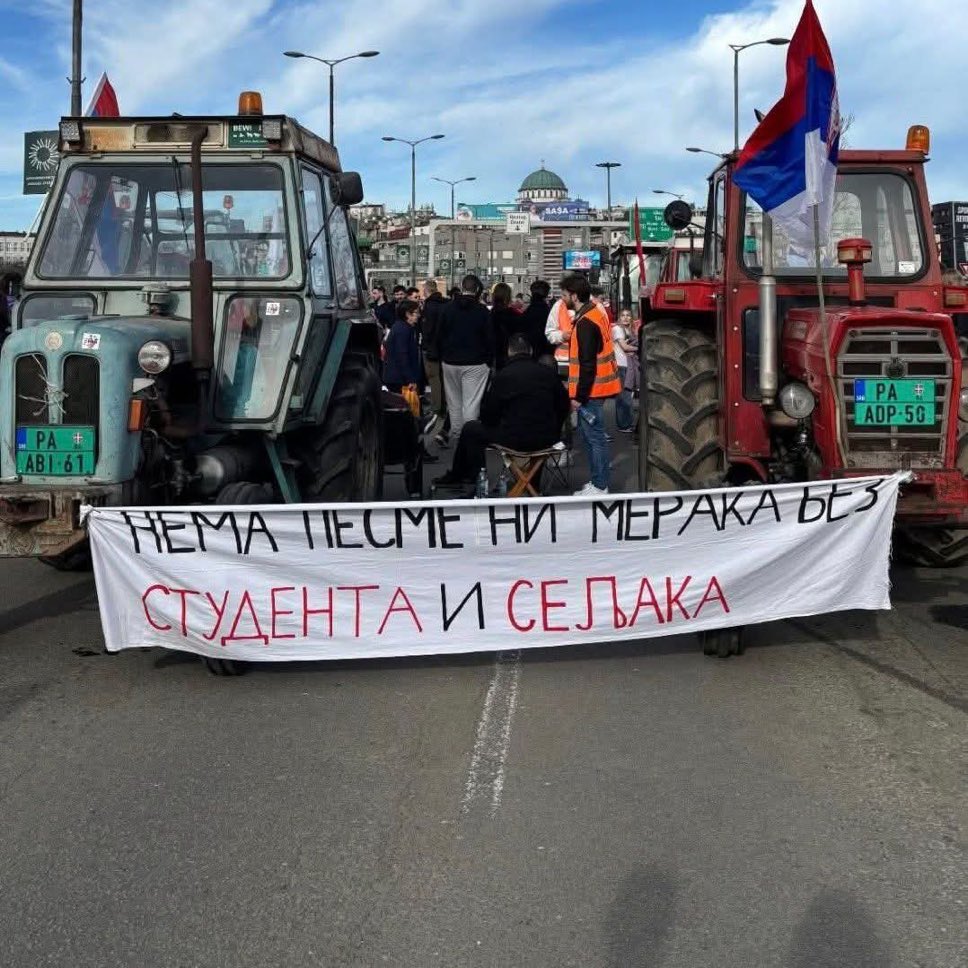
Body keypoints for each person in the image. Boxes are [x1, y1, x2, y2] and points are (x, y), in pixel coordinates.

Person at [435, 333, 569, 487]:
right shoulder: (547, 374)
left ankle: (472, 478)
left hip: (514, 438)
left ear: (509, 352)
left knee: (471, 429)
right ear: (530, 351)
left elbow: (489, 414)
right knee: (474, 429)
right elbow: (563, 405)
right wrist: (554, 429)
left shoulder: (503, 376)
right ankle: (531, 483)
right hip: (546, 438)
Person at [561, 273, 621, 495]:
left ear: (574, 296)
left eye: (565, 294)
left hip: (591, 391)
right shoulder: (595, 313)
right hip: (598, 388)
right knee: (594, 438)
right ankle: (598, 481)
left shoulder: (585, 322)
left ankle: (599, 485)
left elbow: (587, 364)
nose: (563, 298)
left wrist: (578, 397)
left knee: (594, 439)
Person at [438, 274, 494, 445]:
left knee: (454, 403)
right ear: (477, 290)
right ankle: (469, 438)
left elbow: (439, 335)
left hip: (450, 362)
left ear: (462, 287)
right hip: (475, 363)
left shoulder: (447, 309)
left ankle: (456, 435)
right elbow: (490, 338)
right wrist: (489, 361)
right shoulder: (482, 311)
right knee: (471, 404)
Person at [420, 278, 448, 434]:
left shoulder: (429, 306)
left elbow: (427, 329)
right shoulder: (445, 304)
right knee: (443, 380)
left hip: (431, 349)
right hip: (444, 348)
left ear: (427, 290)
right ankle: (443, 406)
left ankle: (437, 409)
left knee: (433, 379)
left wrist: (426, 344)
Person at [383, 299, 424, 393]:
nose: (419, 315)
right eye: (416, 313)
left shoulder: (403, 327)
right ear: (407, 314)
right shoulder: (402, 330)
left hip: (399, 377)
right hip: (399, 379)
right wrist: (410, 379)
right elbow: (402, 355)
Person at [611, 308, 636, 432]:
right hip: (620, 366)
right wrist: (639, 348)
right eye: (623, 315)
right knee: (623, 397)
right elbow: (625, 347)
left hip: (628, 366)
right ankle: (623, 425)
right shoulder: (617, 329)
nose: (625, 318)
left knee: (627, 396)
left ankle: (628, 423)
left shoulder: (630, 330)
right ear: (619, 318)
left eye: (628, 315)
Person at [519, 279, 555, 364]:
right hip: (546, 350)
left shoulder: (529, 310)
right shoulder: (548, 311)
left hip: (530, 350)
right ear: (546, 294)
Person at [489, 281, 521, 369]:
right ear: (508, 297)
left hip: (492, 355)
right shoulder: (515, 315)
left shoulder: (489, 315)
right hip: (511, 354)